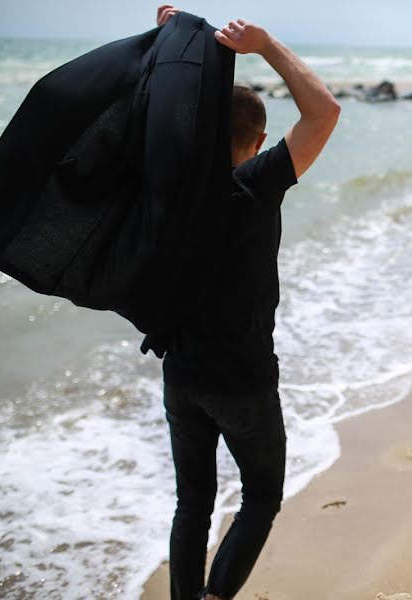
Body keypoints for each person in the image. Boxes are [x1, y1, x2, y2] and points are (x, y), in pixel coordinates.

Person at [149, 6, 340, 599]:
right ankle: (214, 595)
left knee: (193, 506)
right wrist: (264, 45)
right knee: (260, 496)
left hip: (180, 372)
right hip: (243, 380)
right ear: (259, 142)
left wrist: (169, 49)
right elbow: (325, 111)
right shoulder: (257, 183)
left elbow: (142, 118)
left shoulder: (168, 185)